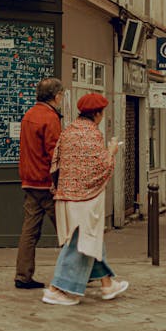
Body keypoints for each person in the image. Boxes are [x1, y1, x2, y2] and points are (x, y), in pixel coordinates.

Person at [42, 92, 129, 306]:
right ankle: (57, 288)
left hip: (66, 196)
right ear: (97, 114)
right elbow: (101, 167)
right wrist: (112, 151)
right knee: (80, 242)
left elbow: (56, 162)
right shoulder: (92, 135)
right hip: (85, 199)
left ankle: (107, 284)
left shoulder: (69, 131)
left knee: (91, 237)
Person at [15, 77, 64, 289]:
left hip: (29, 180)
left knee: (29, 231)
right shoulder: (49, 118)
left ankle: (23, 275)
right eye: (61, 95)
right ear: (56, 96)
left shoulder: (29, 115)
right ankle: (78, 273)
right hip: (46, 182)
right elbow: (54, 153)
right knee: (66, 230)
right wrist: (60, 180)